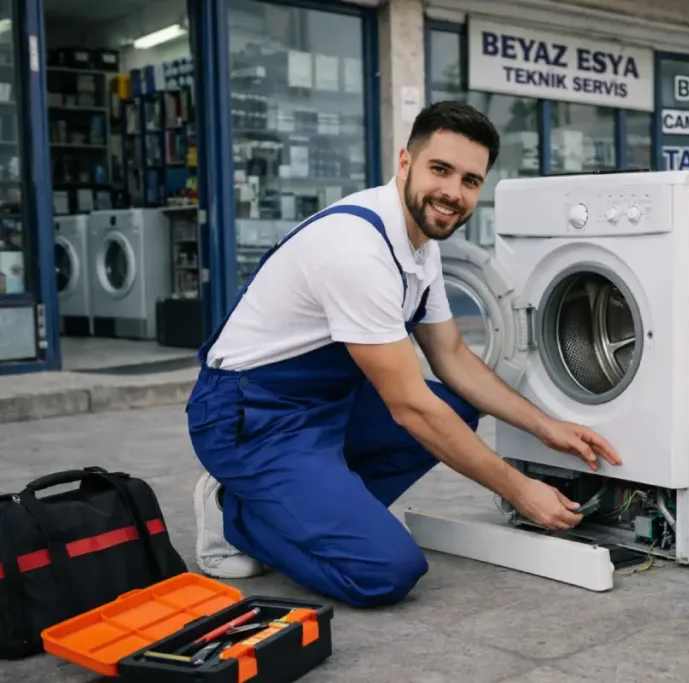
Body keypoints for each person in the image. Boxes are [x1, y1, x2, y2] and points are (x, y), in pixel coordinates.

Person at [186, 100, 622, 608]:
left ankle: (308, 509)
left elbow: (452, 356)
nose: (453, 193)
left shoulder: (420, 244)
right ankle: (233, 514)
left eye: (470, 181)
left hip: (324, 406)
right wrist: (520, 488)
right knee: (386, 571)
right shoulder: (357, 250)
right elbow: (409, 406)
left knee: (457, 407)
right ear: (405, 162)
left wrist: (547, 426)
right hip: (249, 415)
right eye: (441, 170)